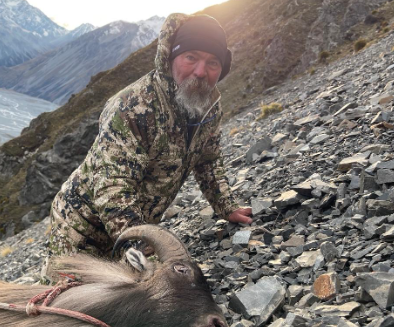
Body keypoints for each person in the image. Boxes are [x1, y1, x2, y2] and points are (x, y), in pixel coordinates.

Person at [47, 13, 252, 265]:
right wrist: (139, 246)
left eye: (212, 63)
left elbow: (207, 160)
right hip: (81, 228)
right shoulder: (133, 107)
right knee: (63, 299)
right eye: (191, 57)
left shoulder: (208, 107)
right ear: (170, 57)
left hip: (136, 228)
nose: (200, 72)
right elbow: (112, 185)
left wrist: (226, 207)